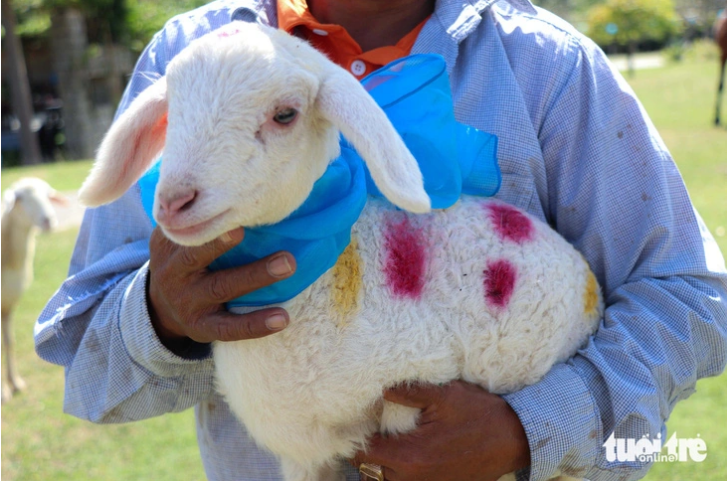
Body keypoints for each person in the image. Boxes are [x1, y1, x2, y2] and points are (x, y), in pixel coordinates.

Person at [35, 0, 727, 480]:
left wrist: (527, 429)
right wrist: (161, 314)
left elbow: (689, 295)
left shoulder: (548, 71)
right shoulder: (191, 61)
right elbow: (85, 362)